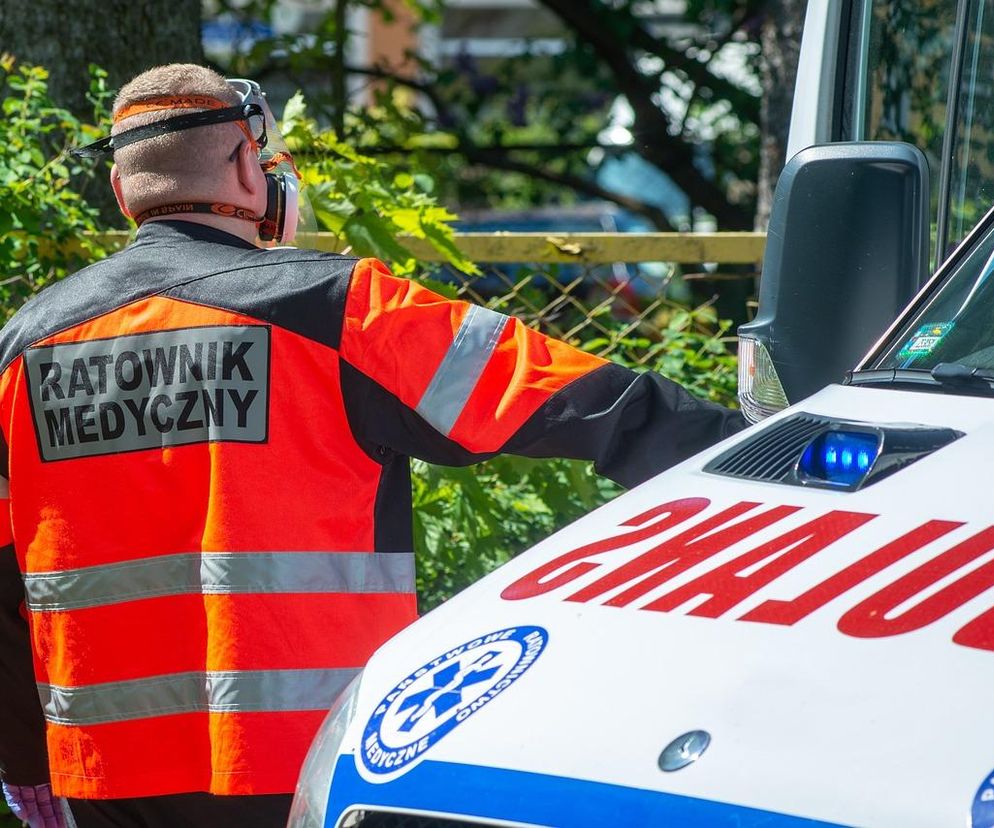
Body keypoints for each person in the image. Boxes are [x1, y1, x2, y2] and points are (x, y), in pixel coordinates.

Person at [0, 64, 746, 828]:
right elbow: (591, 402)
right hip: (313, 764)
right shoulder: (337, 306)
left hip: (106, 776)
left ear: (124, 196)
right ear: (245, 169)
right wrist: (771, 456)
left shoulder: (23, 349)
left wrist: (25, 766)